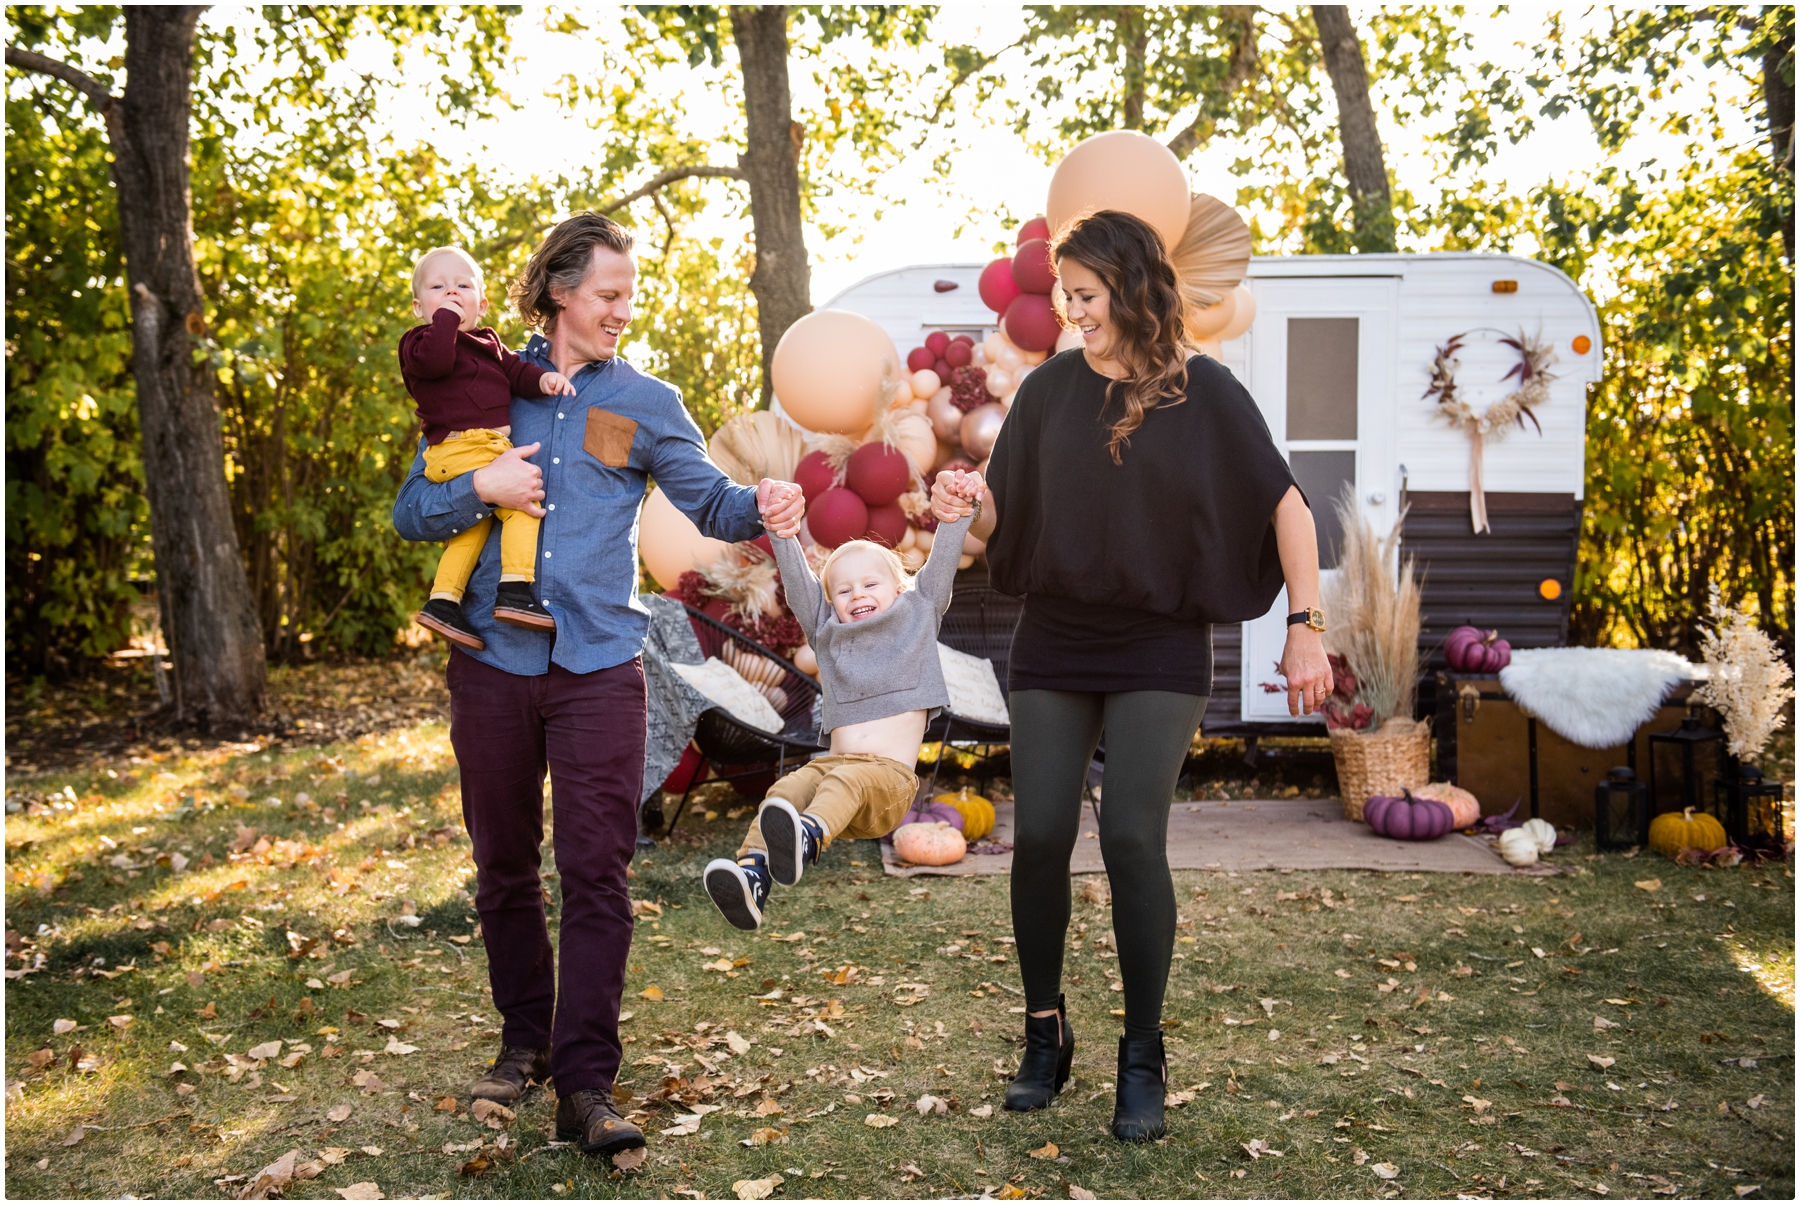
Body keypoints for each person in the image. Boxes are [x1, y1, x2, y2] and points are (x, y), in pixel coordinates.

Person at [391, 212, 805, 1158]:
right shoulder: (489, 381)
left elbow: (710, 499)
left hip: (601, 670)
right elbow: (416, 510)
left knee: (595, 874)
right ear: (559, 293)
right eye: (609, 293)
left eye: (629, 293)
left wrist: (767, 506)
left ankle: (585, 1080)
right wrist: (479, 491)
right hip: (491, 661)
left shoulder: (649, 402)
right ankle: (521, 1041)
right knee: (502, 867)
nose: (624, 309)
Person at [930, 209, 1332, 1144]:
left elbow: (1289, 507)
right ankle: (1044, 1034)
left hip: (1158, 644)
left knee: (1131, 841)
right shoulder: (1047, 393)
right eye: (1063, 294)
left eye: (1084, 293)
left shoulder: (1208, 393)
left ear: (1131, 286)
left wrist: (1304, 628)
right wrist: (963, 503)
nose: (1070, 311)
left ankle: (1142, 1052)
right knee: (1038, 844)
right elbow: (1002, 522)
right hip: (1056, 638)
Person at [704, 477, 983, 929]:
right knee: (785, 791)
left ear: (900, 587)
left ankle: (807, 837)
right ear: (830, 603)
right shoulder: (827, 631)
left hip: (886, 783)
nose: (858, 596)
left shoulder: (919, 612)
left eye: (870, 584)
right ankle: (752, 876)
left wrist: (958, 509)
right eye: (844, 591)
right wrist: (780, 529)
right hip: (831, 772)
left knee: (848, 779)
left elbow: (945, 558)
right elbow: (798, 585)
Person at [401, 246, 577, 648]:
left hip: (484, 448)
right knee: (522, 504)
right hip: (459, 447)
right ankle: (515, 590)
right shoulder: (417, 344)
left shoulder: (489, 343)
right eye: (438, 288)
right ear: (417, 306)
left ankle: (443, 601)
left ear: (482, 305)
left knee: (471, 528)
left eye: (462, 286)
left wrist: (541, 381)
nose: (450, 293)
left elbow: (514, 372)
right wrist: (447, 317)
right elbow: (436, 361)